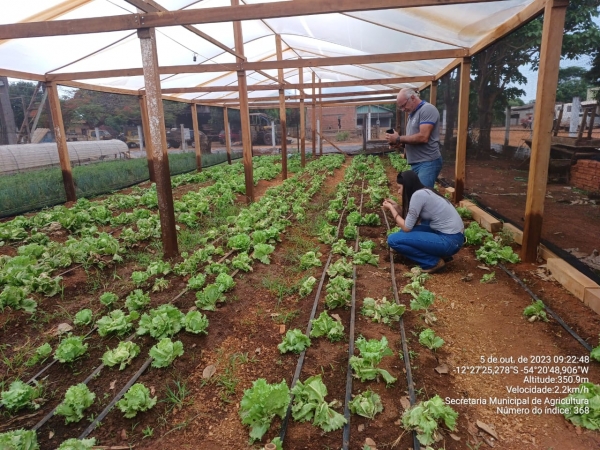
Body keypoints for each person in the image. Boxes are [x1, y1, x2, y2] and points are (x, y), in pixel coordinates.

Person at [383, 170, 464, 273]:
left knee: (393, 240)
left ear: (407, 186)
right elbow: (411, 221)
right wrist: (397, 207)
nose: (398, 192)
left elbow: (407, 227)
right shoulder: (425, 191)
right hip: (452, 237)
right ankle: (440, 254)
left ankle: (432, 262)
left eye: (399, 188)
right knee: (401, 234)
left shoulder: (418, 196)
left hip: (450, 241)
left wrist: (391, 208)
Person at [385, 88, 443, 189]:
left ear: (412, 98)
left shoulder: (427, 109)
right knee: (417, 194)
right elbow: (414, 139)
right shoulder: (411, 115)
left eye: (403, 105)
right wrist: (400, 143)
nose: (403, 109)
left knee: (422, 196)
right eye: (401, 107)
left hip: (427, 162)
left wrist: (398, 138)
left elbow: (423, 137)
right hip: (417, 163)